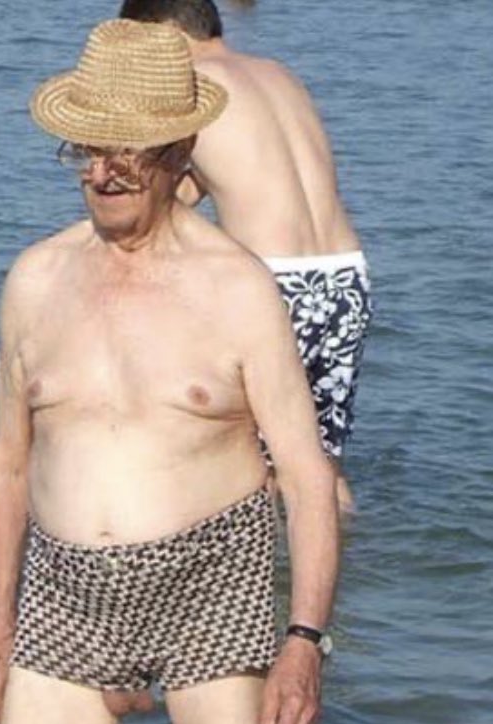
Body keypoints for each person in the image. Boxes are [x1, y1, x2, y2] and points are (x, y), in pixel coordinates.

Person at [0, 18, 339, 724]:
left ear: (180, 151)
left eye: (129, 150)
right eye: (88, 148)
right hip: (63, 592)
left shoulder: (237, 288)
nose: (105, 172)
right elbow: (6, 465)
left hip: (211, 581)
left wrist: (304, 643)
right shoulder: (35, 281)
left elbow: (306, 474)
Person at [119, 0, 373, 513]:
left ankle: (245, 556)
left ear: (161, 35)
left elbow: (157, 204)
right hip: (345, 276)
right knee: (320, 461)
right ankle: (349, 555)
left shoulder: (189, 89)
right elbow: (243, 172)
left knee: (248, 456)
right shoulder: (279, 74)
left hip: (273, 285)